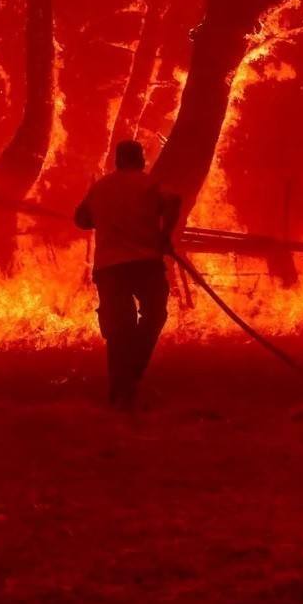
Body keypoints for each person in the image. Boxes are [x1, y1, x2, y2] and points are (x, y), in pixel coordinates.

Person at [73, 140, 182, 409]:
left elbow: (81, 218)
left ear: (117, 161)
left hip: (110, 267)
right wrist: (164, 236)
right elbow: (174, 199)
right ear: (141, 160)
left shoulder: (100, 187)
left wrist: (102, 218)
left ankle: (121, 385)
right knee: (154, 315)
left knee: (119, 328)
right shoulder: (149, 184)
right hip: (145, 262)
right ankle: (131, 374)